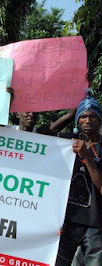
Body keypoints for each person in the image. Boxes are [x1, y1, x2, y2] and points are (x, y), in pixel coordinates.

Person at [55, 90, 102, 266]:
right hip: (66, 224)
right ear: (77, 121)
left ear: (100, 119)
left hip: (95, 226)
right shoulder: (65, 142)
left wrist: (87, 157)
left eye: (93, 116)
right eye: (83, 117)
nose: (88, 121)